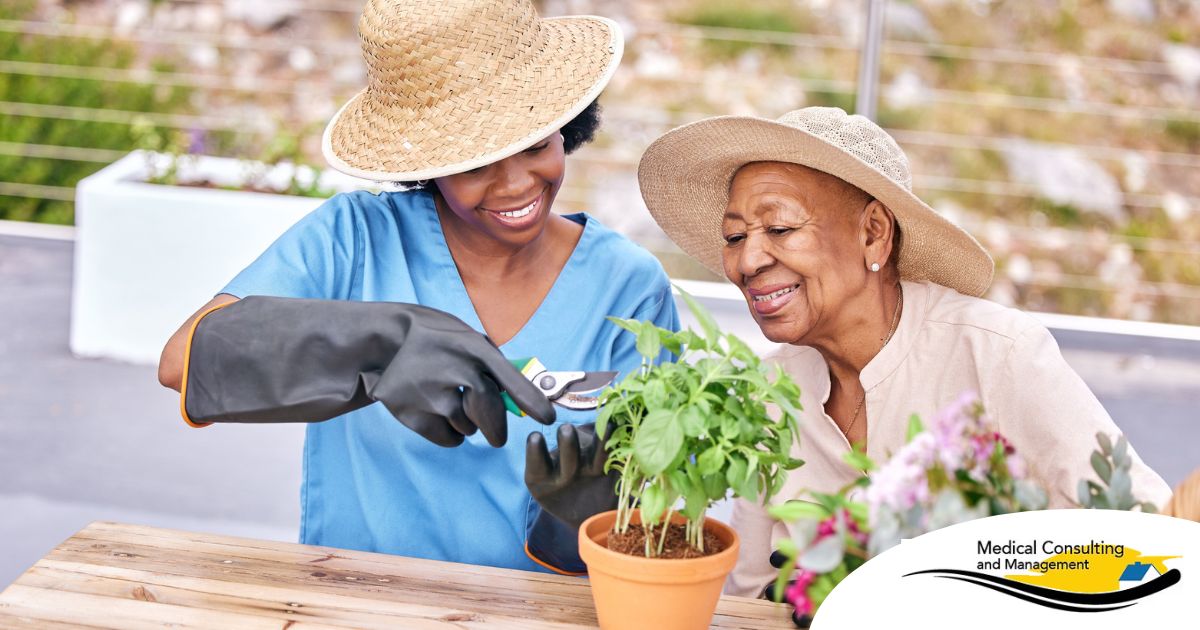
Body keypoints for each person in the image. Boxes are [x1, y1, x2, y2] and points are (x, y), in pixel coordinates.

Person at [157, 0, 677, 575]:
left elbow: (653, 485)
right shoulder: (355, 239)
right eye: (477, 162)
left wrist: (580, 524)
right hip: (353, 597)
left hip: (536, 608)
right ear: (430, 161)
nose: (515, 184)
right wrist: (378, 345)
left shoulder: (627, 287)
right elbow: (184, 363)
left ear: (568, 126)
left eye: (536, 145)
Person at [636, 107, 1172, 605]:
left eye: (780, 228)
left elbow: (1149, 539)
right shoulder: (769, 393)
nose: (747, 260)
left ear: (874, 234)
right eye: (735, 236)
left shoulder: (996, 353)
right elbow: (751, 594)